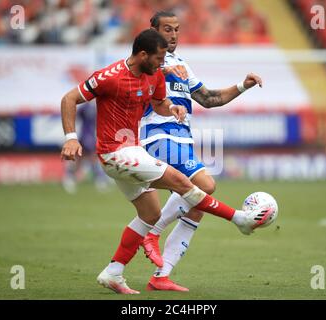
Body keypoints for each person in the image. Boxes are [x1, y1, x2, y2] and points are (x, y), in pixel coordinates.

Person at [60, 29, 274, 294]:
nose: (163, 63)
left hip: (131, 151)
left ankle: (113, 272)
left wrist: (171, 108)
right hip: (116, 153)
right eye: (159, 58)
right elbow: (69, 98)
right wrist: (71, 138)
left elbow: (160, 102)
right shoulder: (110, 77)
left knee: (151, 213)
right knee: (184, 183)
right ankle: (239, 219)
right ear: (142, 55)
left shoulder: (155, 75)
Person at [140, 11, 264, 292]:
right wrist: (162, 69)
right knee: (205, 184)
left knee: (197, 206)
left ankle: (161, 275)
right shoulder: (146, 59)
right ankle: (152, 232)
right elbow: (140, 74)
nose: (172, 35)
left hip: (182, 138)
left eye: (176, 30)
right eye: (166, 29)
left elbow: (208, 99)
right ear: (153, 32)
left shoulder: (182, 65)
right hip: (158, 134)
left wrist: (243, 86)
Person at [62, 102, 112, 194]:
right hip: (87, 135)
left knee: (84, 158)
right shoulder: (87, 107)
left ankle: (70, 177)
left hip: (90, 135)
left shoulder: (94, 107)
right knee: (90, 157)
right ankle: (99, 179)